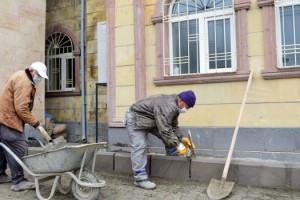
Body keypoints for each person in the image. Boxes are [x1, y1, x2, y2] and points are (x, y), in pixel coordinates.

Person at [124, 90, 196, 190]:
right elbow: (165, 129)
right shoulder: (167, 106)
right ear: (181, 100)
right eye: (187, 106)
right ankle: (140, 179)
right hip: (136, 118)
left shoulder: (175, 107)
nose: (186, 109)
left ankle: (171, 154)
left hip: (151, 119)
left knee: (168, 135)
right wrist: (178, 145)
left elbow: (172, 126)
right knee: (139, 146)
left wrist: (182, 138)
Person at [0, 62, 48, 191]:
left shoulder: (20, 75)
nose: (40, 78)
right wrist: (36, 123)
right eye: (39, 75)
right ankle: (19, 181)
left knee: (4, 147)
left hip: (3, 118)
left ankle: (0, 175)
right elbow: (21, 108)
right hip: (9, 120)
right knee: (18, 147)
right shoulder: (25, 82)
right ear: (32, 71)